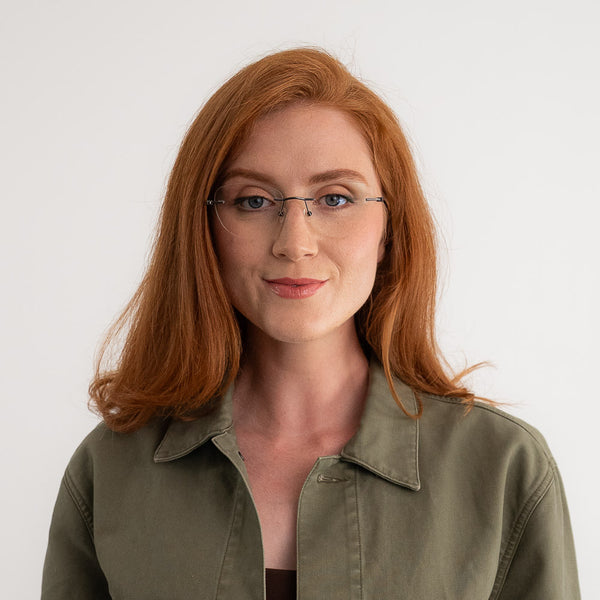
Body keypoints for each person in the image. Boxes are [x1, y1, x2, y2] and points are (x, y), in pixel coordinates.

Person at [42, 48, 580, 599]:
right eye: (254, 200)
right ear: (202, 227)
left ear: (389, 228)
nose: (294, 243)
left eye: (335, 198)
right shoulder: (111, 470)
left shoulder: (502, 469)